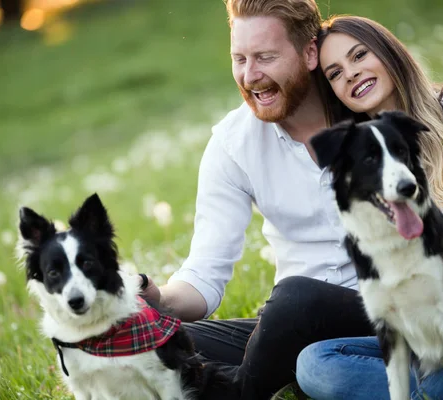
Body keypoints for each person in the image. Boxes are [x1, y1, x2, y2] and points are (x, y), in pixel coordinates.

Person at [138, 1, 380, 399]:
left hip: (387, 308)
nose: (250, 77)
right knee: (157, 340)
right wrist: (154, 297)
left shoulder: (368, 104)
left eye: (266, 57)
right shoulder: (234, 145)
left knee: (294, 299)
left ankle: (242, 391)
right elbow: (204, 276)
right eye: (239, 59)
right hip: (291, 330)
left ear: (309, 53)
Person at [295, 15, 443, 400]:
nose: (350, 74)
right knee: (315, 362)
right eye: (335, 73)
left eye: (359, 55)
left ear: (388, 51)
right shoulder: (357, 169)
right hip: (423, 327)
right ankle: (442, 387)